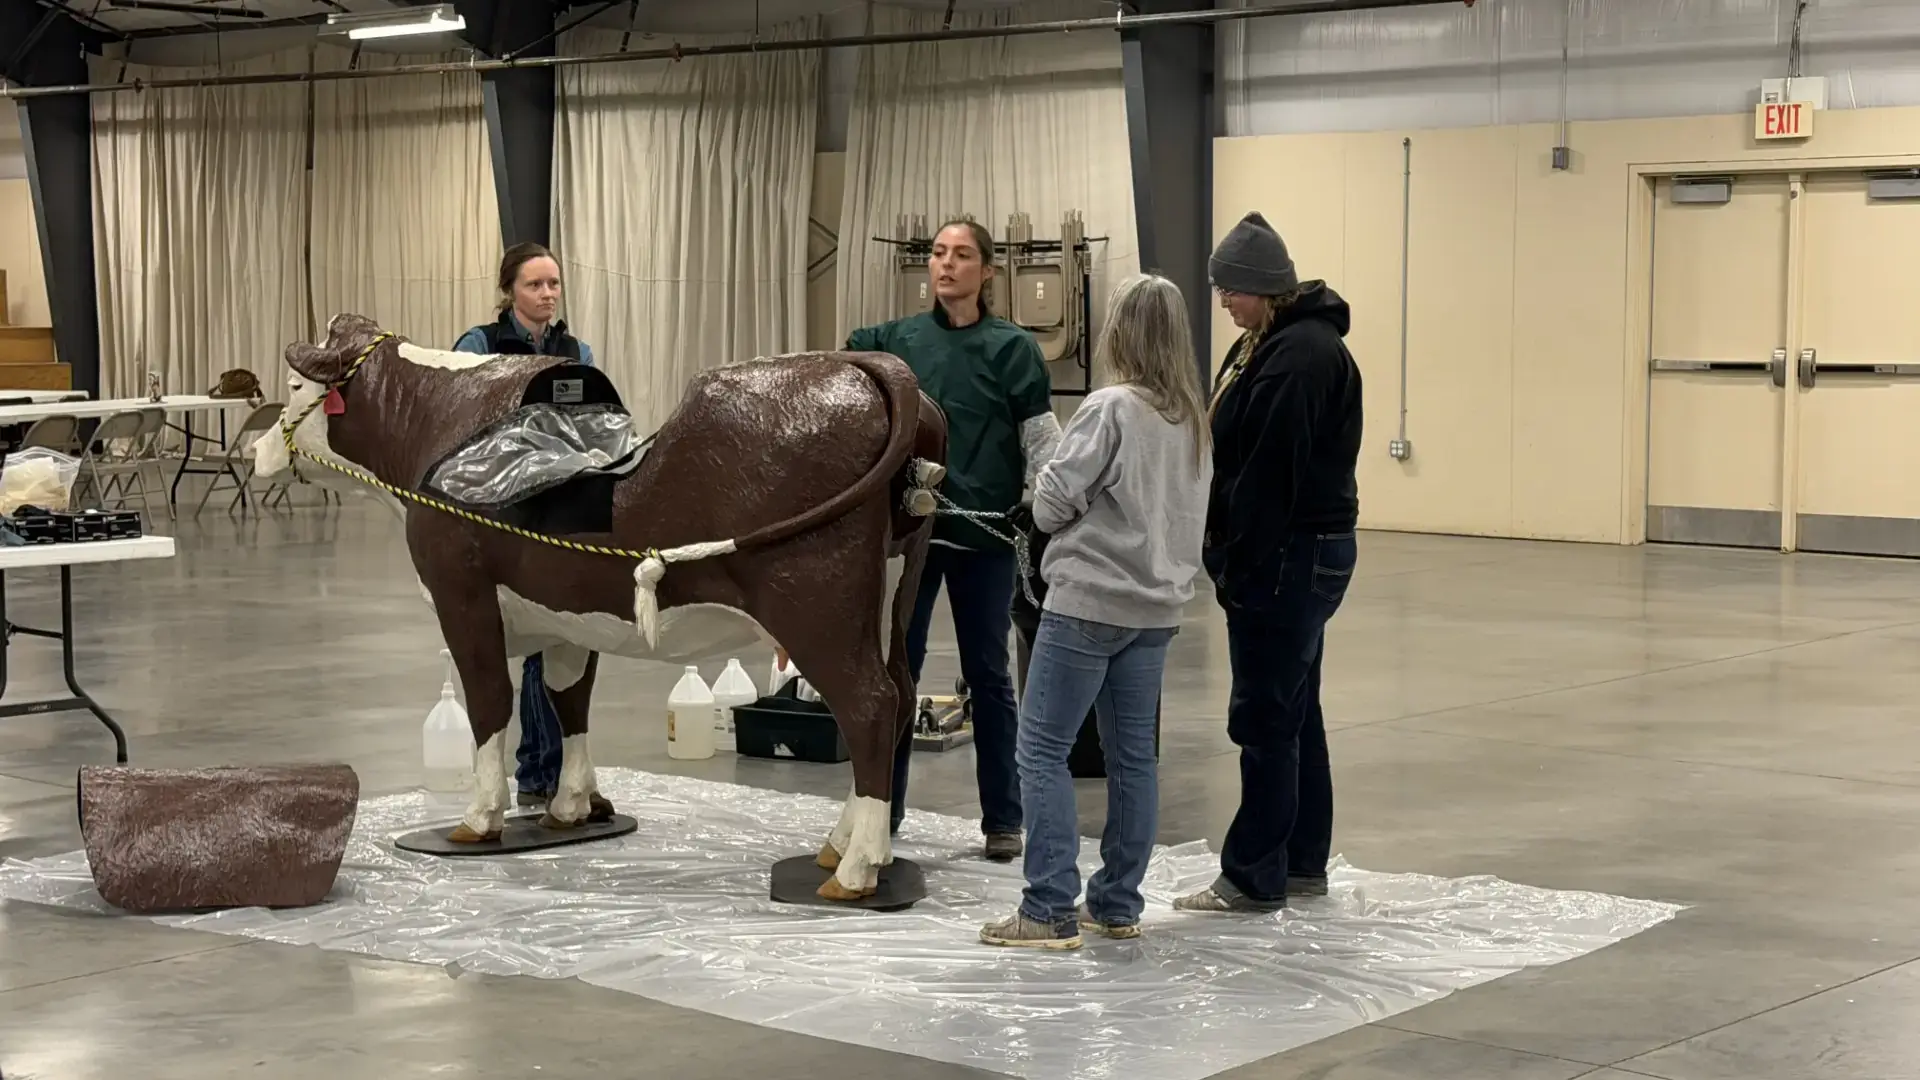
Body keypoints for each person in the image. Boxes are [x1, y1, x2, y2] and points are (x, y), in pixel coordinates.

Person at [978, 273, 1211, 950]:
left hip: (1088, 604)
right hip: (1156, 610)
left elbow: (1052, 501)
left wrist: (1051, 507)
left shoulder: (1109, 408)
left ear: (1121, 333)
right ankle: (1115, 902)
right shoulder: (1192, 420)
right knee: (1133, 758)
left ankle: (1047, 907)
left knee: (1042, 749)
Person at [846, 219, 1062, 861]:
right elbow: (851, 358)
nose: (946, 265)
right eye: (939, 254)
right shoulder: (896, 341)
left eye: (962, 255)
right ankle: (885, 808)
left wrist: (1038, 508)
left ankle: (1003, 819)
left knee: (988, 676)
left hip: (984, 539)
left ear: (987, 272)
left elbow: (1042, 441)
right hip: (912, 539)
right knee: (896, 671)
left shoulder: (1014, 348)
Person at [1174, 211, 1363, 914]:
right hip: (1295, 552)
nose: (1223, 301)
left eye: (1231, 290)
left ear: (1264, 289)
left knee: (1263, 717)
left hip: (1288, 554)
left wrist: (1236, 564)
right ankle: (1301, 862)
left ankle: (1255, 874)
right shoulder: (1263, 344)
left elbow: (1269, 476)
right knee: (1293, 711)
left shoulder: (1299, 356)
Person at [453, 241, 596, 808]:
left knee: (560, 633)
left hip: (556, 505)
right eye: (535, 285)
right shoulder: (479, 345)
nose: (546, 294)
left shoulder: (574, 348)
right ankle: (533, 766)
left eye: (553, 284)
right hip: (496, 509)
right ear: (509, 290)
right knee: (513, 639)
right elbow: (460, 419)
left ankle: (544, 768)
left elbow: (593, 418)